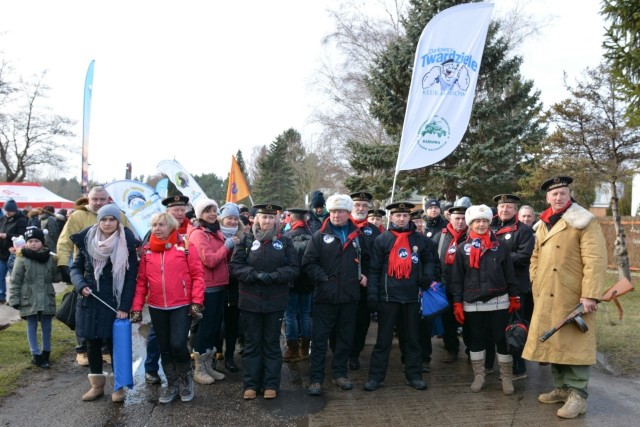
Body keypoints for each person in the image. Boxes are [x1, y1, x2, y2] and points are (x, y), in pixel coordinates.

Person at [522, 176, 607, 419]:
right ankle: (561, 388)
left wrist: (590, 295)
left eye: (562, 193)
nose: (558, 197)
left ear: (569, 195)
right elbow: (535, 256)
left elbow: (595, 260)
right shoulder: (543, 223)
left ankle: (578, 396)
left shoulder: (584, 221)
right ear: (547, 198)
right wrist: (535, 279)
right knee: (554, 341)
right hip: (546, 292)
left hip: (573, 295)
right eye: (553, 194)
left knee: (575, 344)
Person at [130, 212, 205, 404]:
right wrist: (137, 307)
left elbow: (197, 275)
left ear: (170, 227)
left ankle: (185, 379)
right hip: (156, 306)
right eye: (154, 225)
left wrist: (196, 301)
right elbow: (141, 282)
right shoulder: (147, 251)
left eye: (161, 225)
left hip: (181, 304)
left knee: (178, 344)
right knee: (164, 347)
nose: (157, 228)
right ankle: (172, 384)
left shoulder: (186, 247)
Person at [364, 202, 438, 392]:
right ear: (392, 217)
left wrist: (427, 276)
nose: (402, 219)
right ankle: (376, 377)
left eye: (405, 216)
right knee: (383, 341)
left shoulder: (419, 240)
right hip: (389, 298)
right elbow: (374, 270)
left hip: (412, 298)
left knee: (412, 340)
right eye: (398, 216)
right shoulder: (382, 239)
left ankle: (414, 376)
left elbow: (430, 260)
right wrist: (373, 294)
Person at [70, 205, 139, 403]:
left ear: (118, 222)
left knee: (114, 343)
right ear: (98, 221)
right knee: (91, 343)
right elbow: (75, 268)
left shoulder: (127, 244)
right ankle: (97, 385)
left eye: (112, 220)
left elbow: (131, 277)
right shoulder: (87, 241)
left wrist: (125, 307)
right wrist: (80, 284)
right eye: (104, 219)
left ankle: (118, 387)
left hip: (113, 301)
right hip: (90, 299)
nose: (108, 223)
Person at [302, 194, 369, 396]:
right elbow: (308, 263)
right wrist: (324, 279)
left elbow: (367, 260)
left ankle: (340, 373)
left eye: (340, 211)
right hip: (325, 297)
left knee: (345, 339)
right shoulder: (319, 236)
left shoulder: (358, 236)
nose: (336, 215)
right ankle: (316, 378)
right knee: (320, 340)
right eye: (333, 211)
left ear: (349, 213)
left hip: (349, 297)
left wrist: (363, 274)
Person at [230, 204, 299, 400]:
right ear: (257, 219)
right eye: (264, 217)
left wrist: (276, 276)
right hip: (250, 301)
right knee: (252, 344)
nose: (267, 221)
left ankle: (271, 384)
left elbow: (294, 268)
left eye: (271, 217)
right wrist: (255, 275)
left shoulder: (285, 241)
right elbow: (236, 266)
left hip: (275, 302)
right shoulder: (245, 240)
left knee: (271, 343)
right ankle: (251, 384)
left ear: (277, 220)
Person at [450, 204, 520, 395]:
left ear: (489, 222)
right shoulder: (462, 249)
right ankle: (479, 375)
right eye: (476, 221)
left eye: (484, 221)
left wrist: (514, 296)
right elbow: (456, 279)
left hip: (499, 299)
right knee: (477, 340)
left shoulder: (501, 247)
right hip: (472, 301)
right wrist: (457, 302)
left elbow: (510, 274)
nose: (481, 225)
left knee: (500, 338)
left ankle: (506, 377)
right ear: (470, 224)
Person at [57, 186, 128, 366]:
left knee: (107, 312)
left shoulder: (119, 215)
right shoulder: (77, 216)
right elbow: (65, 241)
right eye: (94, 199)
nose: (98, 202)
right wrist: (63, 264)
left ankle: (105, 349)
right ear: (88, 199)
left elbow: (127, 237)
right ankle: (82, 349)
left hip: (111, 273)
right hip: (86, 270)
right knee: (84, 313)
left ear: (107, 200)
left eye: (101, 199)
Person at [186, 198, 233, 385]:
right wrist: (227, 246)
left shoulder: (215, 232)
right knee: (205, 329)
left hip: (220, 285)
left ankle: (208, 367)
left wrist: (227, 248)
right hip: (207, 288)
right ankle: (199, 369)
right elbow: (210, 260)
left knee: (213, 329)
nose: (213, 214)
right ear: (200, 215)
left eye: (214, 210)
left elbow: (224, 259)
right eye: (208, 211)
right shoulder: (199, 234)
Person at [490, 194, 534, 380]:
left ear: (515, 210)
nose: (504, 210)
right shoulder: (491, 227)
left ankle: (518, 368)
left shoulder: (523, 230)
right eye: (502, 207)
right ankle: (502, 365)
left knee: (516, 328)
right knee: (499, 328)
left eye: (508, 206)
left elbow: (525, 255)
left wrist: (499, 259)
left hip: (516, 287)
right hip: (496, 287)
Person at [9, 227, 59, 369]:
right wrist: (14, 299)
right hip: (28, 297)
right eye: (30, 241)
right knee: (31, 325)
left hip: (46, 296)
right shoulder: (22, 259)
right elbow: (15, 280)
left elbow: (55, 277)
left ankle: (46, 352)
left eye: (36, 241)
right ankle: (35, 354)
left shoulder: (50, 259)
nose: (33, 244)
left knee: (47, 326)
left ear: (42, 242)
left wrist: (64, 271)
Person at [346, 191, 380, 370]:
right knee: (343, 320)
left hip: (365, 284)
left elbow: (376, 258)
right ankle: (341, 352)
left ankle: (355, 354)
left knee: (361, 321)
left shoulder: (373, 231)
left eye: (364, 206)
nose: (361, 208)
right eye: (357, 205)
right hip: (344, 283)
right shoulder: (343, 225)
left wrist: (366, 274)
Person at [436, 203, 469, 363]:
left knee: (469, 321)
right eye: (457, 218)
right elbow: (432, 259)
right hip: (446, 286)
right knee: (448, 322)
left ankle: (472, 350)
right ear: (450, 218)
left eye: (463, 218)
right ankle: (452, 350)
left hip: (467, 287)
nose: (460, 222)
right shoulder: (441, 236)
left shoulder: (472, 236)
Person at [216, 202, 244, 372]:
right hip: (217, 285)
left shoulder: (243, 236)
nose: (233, 222)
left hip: (235, 286)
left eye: (235, 218)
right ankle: (215, 352)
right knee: (215, 323)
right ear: (222, 219)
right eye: (229, 218)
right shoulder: (215, 235)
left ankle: (229, 357)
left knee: (233, 324)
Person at [282, 207, 313, 362]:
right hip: (308, 281)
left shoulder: (287, 236)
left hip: (292, 281)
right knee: (306, 313)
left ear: (292, 219)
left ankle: (292, 349)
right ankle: (305, 349)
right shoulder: (312, 236)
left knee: (291, 315)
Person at [0, 199, 27, 304]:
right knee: (0, 276)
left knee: (14, 278)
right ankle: (1, 296)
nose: (7, 213)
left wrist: (7, 236)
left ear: (15, 210)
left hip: (14, 253)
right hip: (1, 252)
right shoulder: (2, 219)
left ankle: (14, 298)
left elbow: (22, 236)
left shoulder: (22, 220)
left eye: (9, 211)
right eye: (6, 210)